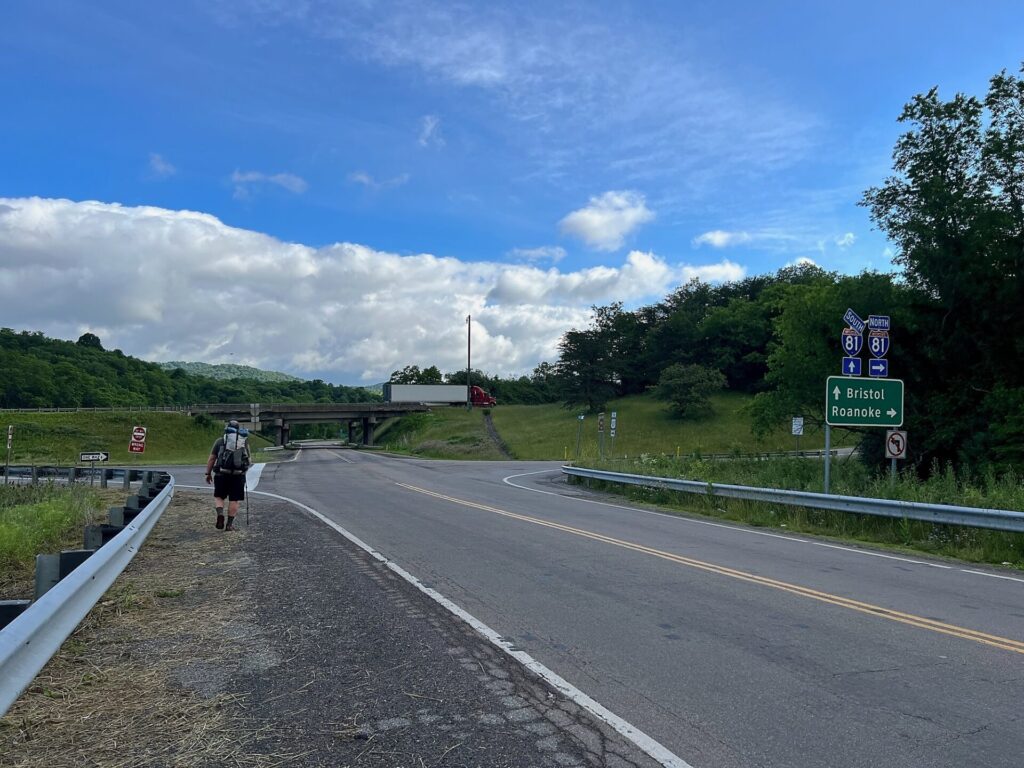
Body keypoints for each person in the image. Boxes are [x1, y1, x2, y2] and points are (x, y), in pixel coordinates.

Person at [205, 420, 251, 531]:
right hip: (237, 475)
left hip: (221, 473)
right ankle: (229, 525)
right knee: (234, 500)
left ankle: (220, 514)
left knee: (219, 497)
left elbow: (212, 458)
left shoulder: (220, 441)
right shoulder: (243, 442)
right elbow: (248, 460)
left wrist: (208, 473)